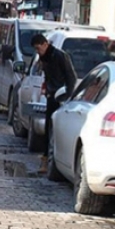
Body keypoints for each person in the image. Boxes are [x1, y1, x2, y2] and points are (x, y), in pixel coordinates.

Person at [30, 34, 77, 174]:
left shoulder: (60, 56)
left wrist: (66, 96)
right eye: (36, 49)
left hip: (60, 98)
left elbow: (71, 78)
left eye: (39, 48)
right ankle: (46, 159)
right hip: (52, 96)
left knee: (56, 130)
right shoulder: (45, 58)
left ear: (45, 44)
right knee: (48, 130)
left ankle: (53, 160)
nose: (38, 52)